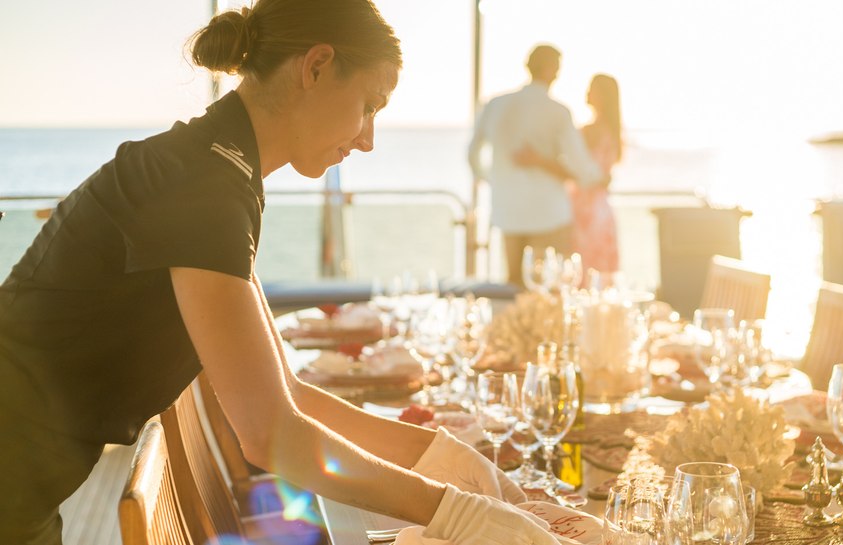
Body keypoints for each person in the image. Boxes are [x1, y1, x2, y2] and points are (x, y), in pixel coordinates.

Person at [0, 2, 558, 544]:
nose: (368, 138)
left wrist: (438, 456)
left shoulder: (215, 168)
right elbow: (271, 436)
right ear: (315, 67)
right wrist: (460, 515)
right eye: (370, 104)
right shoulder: (203, 188)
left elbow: (287, 394)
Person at [468, 44, 604, 287]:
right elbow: (581, 166)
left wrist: (494, 180)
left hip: (508, 211)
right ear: (551, 69)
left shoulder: (495, 105)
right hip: (548, 214)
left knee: (514, 286)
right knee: (550, 288)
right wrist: (598, 177)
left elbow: (472, 154)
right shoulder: (558, 111)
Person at [515, 74, 622, 279]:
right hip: (603, 209)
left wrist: (538, 160)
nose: (587, 92)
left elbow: (574, 170)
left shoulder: (591, 131)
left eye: (593, 88)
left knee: (579, 273)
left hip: (584, 210)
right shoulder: (613, 130)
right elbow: (601, 175)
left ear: (603, 96)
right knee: (600, 274)